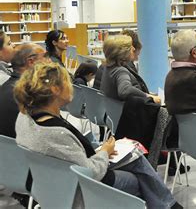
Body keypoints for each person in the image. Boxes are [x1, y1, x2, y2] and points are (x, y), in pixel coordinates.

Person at [14, 62, 182, 209]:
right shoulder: (56, 133)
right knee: (140, 177)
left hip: (50, 185)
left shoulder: (25, 119)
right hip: (82, 187)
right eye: (67, 81)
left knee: (135, 159)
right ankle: (168, 204)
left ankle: (167, 204)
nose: (72, 85)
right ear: (55, 89)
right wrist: (104, 152)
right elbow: (90, 172)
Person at [100, 35, 160, 150]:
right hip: (131, 119)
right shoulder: (121, 71)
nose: (133, 49)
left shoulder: (108, 69)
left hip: (118, 117)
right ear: (122, 53)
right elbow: (124, 90)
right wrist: (147, 96)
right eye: (130, 47)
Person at [0, 43, 48, 138]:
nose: (49, 62)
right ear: (31, 62)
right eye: (45, 57)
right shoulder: (32, 94)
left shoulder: (4, 88)